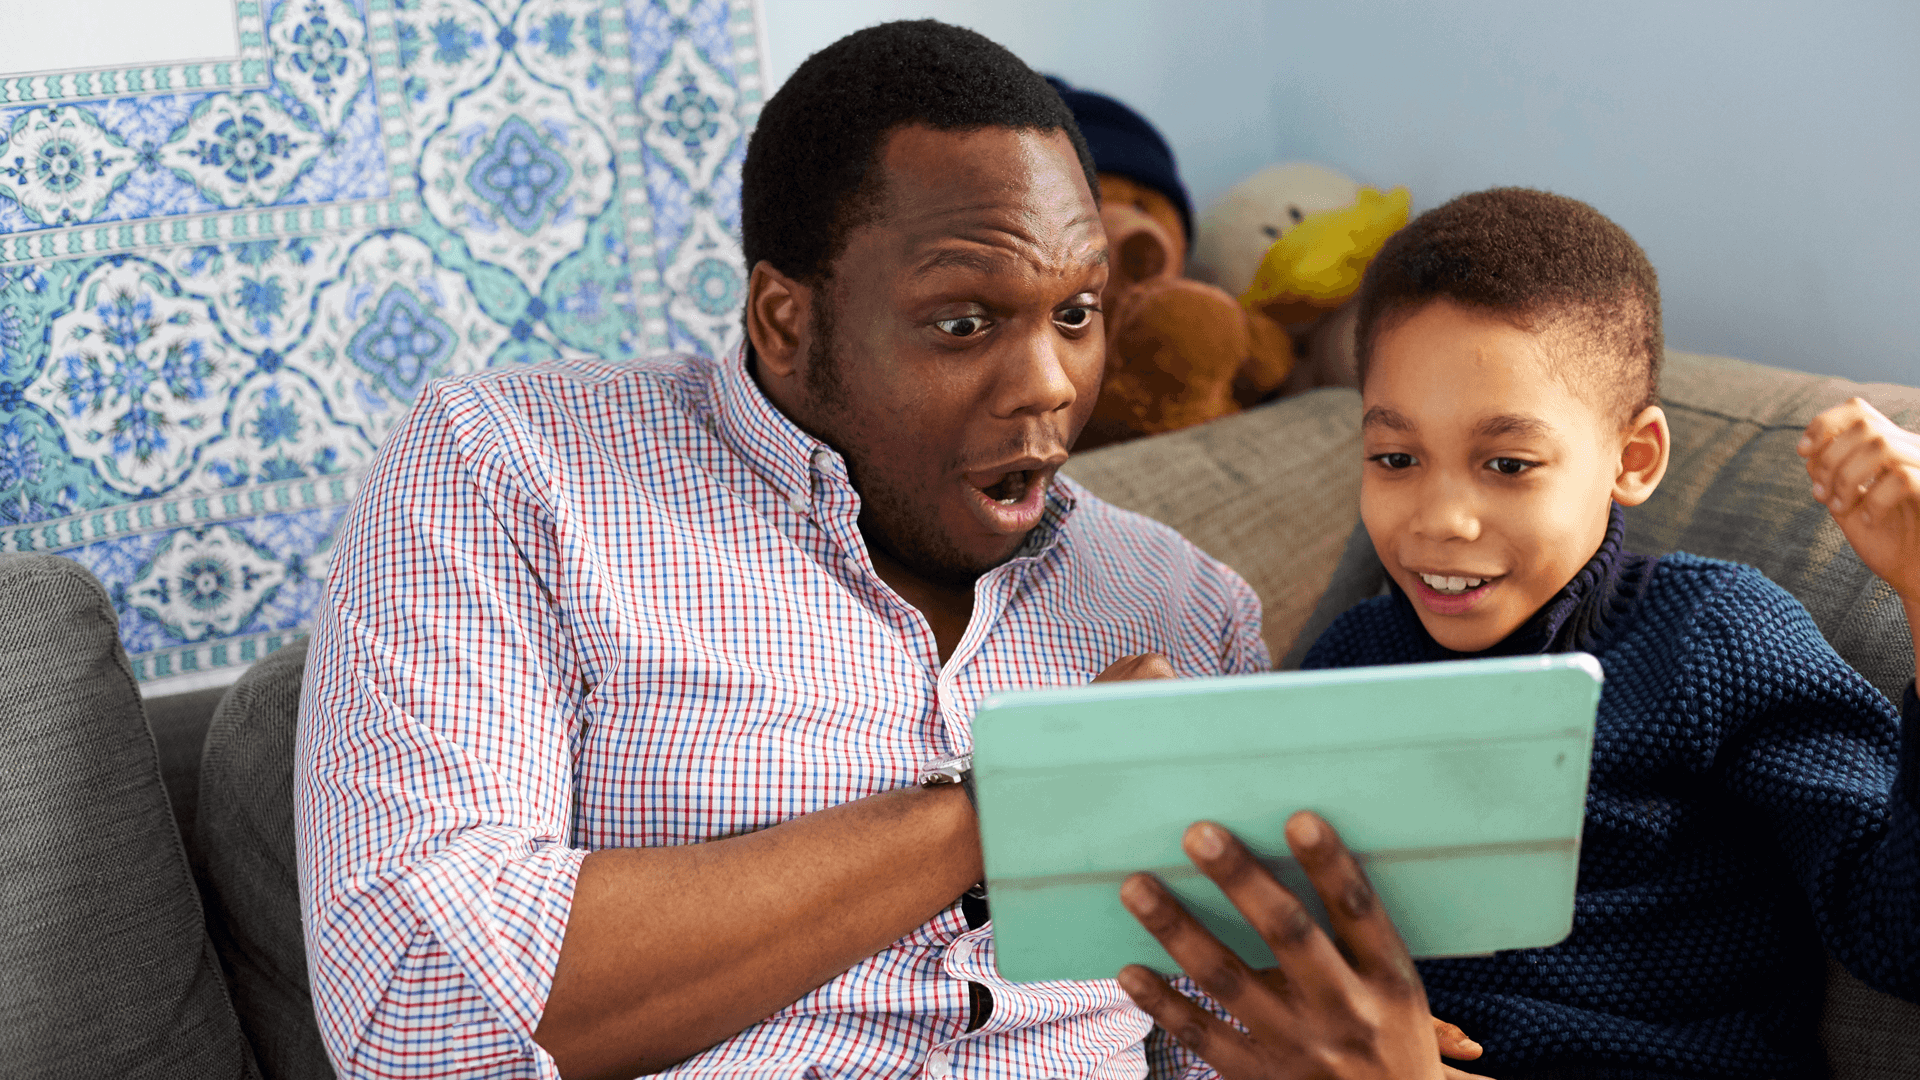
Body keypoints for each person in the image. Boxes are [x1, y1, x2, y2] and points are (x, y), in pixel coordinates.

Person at [294, 19, 1470, 1080]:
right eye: (965, 322)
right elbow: (416, 1005)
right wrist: (1006, 806)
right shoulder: (511, 471)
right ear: (787, 324)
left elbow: (1222, 1041)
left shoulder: (1182, 606)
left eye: (1078, 312)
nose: (1052, 385)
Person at [1296, 186, 1920, 1079]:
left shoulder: (1715, 638)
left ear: (1633, 461)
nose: (1441, 519)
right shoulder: (1350, 663)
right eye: (1396, 459)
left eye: (1507, 465)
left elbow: (1901, 937)